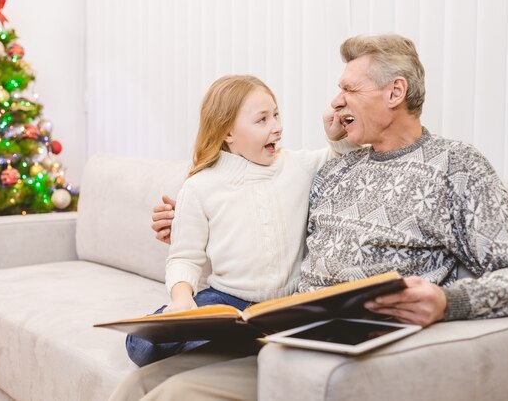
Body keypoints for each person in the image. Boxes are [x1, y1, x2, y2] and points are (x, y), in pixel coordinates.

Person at [111, 34, 508, 401]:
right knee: (138, 384)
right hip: (281, 336)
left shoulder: (456, 166)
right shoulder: (336, 168)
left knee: (178, 393)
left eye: (349, 89)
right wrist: (186, 223)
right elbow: (263, 214)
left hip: (350, 352)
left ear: (395, 92)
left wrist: (449, 302)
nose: (336, 101)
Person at [125, 75, 356, 367]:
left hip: (286, 305)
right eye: (262, 120)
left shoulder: (297, 166)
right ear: (228, 133)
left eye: (275, 115)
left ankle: (241, 344)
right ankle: (241, 343)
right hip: (228, 299)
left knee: (232, 342)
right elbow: (184, 256)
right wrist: (182, 299)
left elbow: (343, 157)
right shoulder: (200, 187)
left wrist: (336, 135)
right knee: (142, 345)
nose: (277, 127)